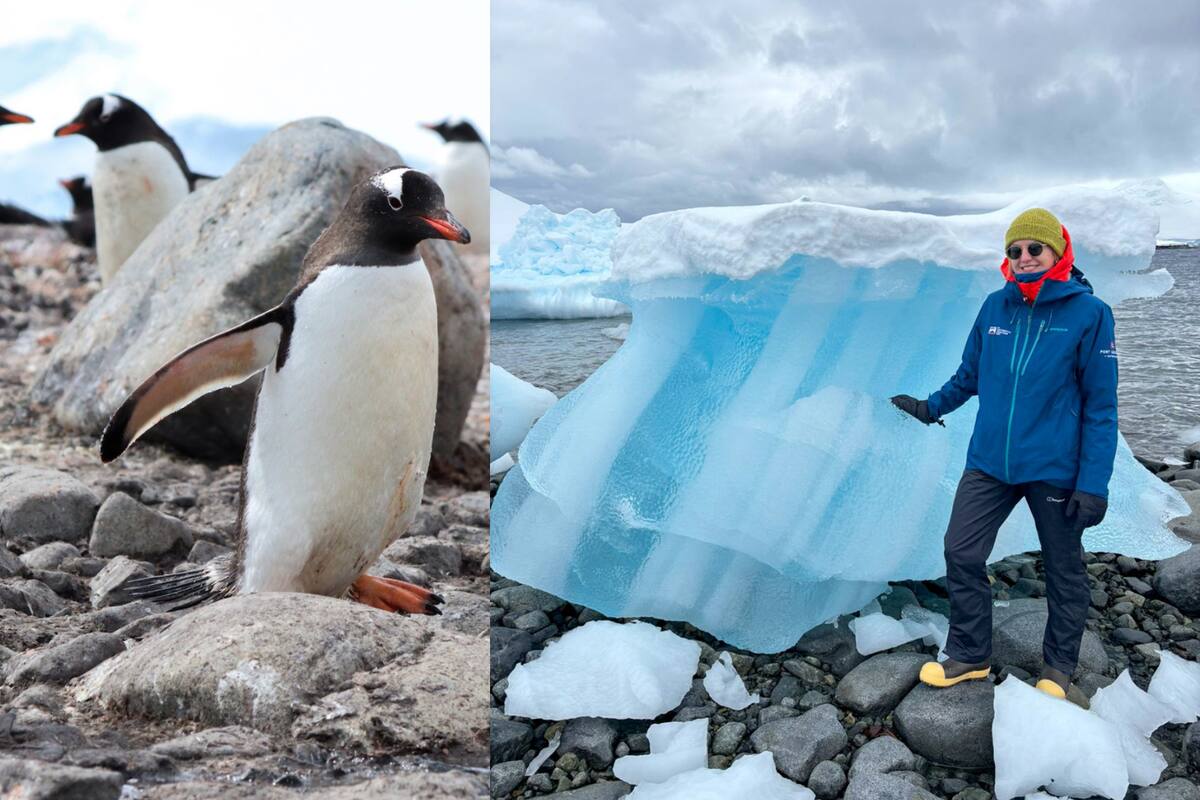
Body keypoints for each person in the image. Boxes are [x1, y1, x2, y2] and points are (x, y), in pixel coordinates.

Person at [891, 207, 1117, 703]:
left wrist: (1093, 484)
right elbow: (969, 375)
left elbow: (1101, 407)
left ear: (1058, 252)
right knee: (960, 550)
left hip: (1054, 467)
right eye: (1014, 250)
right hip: (990, 461)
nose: (1023, 257)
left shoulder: (1089, 314)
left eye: (1034, 248)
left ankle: (1058, 667)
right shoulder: (996, 307)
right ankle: (971, 653)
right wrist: (931, 408)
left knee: (1064, 567)